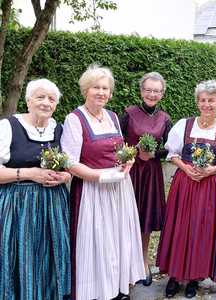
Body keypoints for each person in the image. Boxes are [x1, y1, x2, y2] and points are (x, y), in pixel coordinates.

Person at [61, 64, 145, 300]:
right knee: (96, 242)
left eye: (105, 88)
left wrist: (128, 162)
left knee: (117, 237)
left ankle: (117, 287)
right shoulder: (74, 119)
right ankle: (95, 291)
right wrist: (101, 176)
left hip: (119, 188)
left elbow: (121, 150)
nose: (101, 92)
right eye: (96, 87)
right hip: (92, 190)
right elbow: (69, 162)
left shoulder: (113, 117)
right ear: (85, 90)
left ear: (110, 92)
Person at [156, 80, 216, 298]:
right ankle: (174, 276)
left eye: (211, 100)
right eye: (203, 100)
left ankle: (193, 277)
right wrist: (186, 168)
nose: (207, 104)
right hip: (184, 183)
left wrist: (209, 171)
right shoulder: (184, 125)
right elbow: (172, 153)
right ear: (197, 102)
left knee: (202, 228)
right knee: (178, 226)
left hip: (207, 186)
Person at [0, 79, 71, 300]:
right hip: (18, 204)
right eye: (40, 97)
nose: (46, 103)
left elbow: (70, 167)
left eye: (51, 99)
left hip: (54, 204)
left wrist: (65, 176)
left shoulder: (58, 128)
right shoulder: (8, 126)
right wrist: (30, 173)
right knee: (21, 256)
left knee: (52, 255)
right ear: (28, 101)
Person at [119, 72, 172, 286]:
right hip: (129, 172)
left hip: (151, 174)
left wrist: (153, 154)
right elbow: (116, 142)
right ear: (141, 91)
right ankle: (125, 263)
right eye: (148, 90)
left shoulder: (165, 119)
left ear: (162, 94)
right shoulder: (128, 114)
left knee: (145, 219)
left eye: (156, 91)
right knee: (125, 217)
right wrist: (131, 153)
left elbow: (169, 149)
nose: (152, 94)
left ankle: (143, 261)